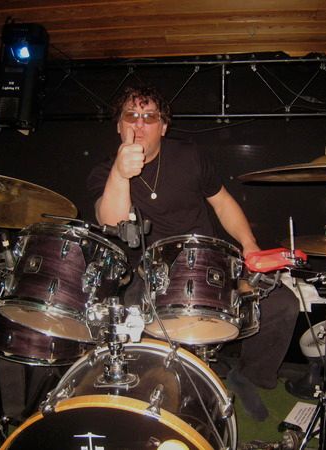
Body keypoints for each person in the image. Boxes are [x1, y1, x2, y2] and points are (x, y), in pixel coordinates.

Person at [87, 83, 299, 421]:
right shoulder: (105, 171)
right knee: (142, 328)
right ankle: (164, 389)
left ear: (163, 127)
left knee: (283, 305)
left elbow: (223, 202)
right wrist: (120, 173)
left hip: (210, 263)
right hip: (151, 274)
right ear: (118, 125)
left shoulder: (189, 156)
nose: (139, 124)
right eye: (131, 116)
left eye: (149, 117)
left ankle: (251, 377)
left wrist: (250, 246)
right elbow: (111, 220)